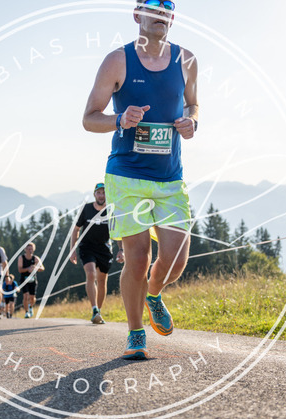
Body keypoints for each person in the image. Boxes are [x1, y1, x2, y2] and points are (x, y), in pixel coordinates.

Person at [82, 0, 198, 359]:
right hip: (127, 176)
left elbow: (193, 104)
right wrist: (119, 119)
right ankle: (135, 333)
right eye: (152, 7)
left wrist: (192, 121)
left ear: (172, 18)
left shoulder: (187, 60)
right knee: (136, 258)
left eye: (167, 9)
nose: (160, 14)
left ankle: (154, 294)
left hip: (169, 178)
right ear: (137, 15)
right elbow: (89, 118)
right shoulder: (117, 61)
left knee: (175, 260)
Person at [70, 182, 124, 324]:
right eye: (99, 193)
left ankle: (98, 312)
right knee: (91, 274)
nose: (101, 195)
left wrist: (121, 250)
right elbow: (76, 230)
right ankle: (94, 309)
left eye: (104, 193)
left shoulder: (111, 211)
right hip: (87, 247)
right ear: (94, 194)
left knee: (102, 280)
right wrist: (72, 250)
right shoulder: (86, 209)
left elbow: (118, 233)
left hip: (104, 249)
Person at [17, 242, 45, 318]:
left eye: (31, 249)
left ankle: (31, 307)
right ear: (25, 249)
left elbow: (42, 268)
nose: (30, 250)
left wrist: (36, 268)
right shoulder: (21, 258)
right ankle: (26, 312)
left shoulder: (35, 258)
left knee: (32, 297)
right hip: (24, 279)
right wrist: (28, 269)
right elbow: (20, 270)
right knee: (26, 295)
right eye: (28, 249)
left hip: (33, 280)